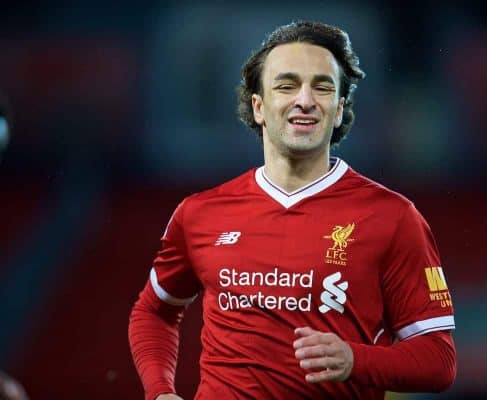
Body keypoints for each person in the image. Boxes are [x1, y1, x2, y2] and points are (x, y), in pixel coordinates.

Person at [129, 20, 456, 400]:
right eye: (287, 86)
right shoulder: (200, 213)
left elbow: (439, 360)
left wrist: (356, 359)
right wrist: (159, 391)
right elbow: (153, 312)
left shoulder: (392, 217)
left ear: (338, 111)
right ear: (258, 107)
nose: (305, 100)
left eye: (322, 87)